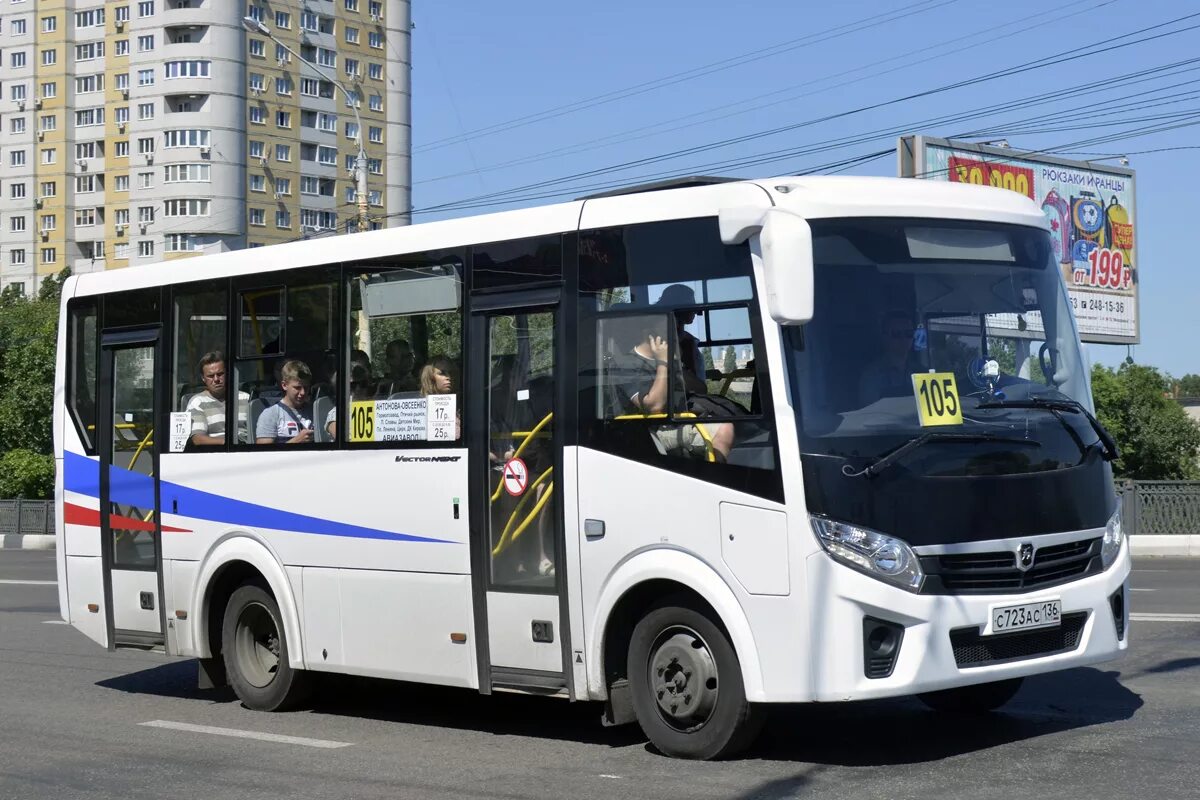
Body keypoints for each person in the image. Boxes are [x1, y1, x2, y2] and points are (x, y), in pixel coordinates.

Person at [613, 316, 733, 460]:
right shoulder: (626, 364)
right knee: (722, 428)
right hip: (650, 431)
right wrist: (662, 364)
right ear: (650, 335)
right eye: (668, 332)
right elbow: (654, 406)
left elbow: (701, 389)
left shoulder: (670, 358)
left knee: (727, 426)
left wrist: (677, 365)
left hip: (678, 422)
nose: (676, 336)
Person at [187, 351, 250, 446]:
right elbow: (198, 439)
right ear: (203, 378)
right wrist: (229, 443)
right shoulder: (197, 402)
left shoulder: (245, 398)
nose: (216, 379)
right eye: (210, 376)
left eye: (220, 374)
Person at [858, 310, 919, 406]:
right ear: (884, 337)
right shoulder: (871, 376)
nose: (903, 339)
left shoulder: (922, 372)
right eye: (896, 334)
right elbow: (870, 415)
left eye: (909, 333)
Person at [655, 284, 707, 393]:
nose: (695, 309)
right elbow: (698, 390)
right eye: (691, 304)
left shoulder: (687, 340)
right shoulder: (685, 343)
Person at [256, 359, 315, 444]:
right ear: (284, 385)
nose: (303, 392)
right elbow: (263, 453)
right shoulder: (271, 414)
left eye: (306, 388)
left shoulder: (314, 411)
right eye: (297, 388)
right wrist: (296, 441)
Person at [324, 363, 372, 439]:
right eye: (353, 385)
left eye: (363, 384)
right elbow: (345, 442)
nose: (358, 389)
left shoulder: (373, 407)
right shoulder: (336, 414)